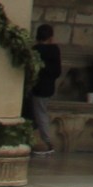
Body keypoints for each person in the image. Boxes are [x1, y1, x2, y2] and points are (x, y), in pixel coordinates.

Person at [25, 23, 62, 154]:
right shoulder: (54, 50)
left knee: (40, 113)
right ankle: (41, 141)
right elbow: (57, 71)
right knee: (39, 112)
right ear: (51, 38)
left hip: (37, 87)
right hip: (47, 87)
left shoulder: (35, 50)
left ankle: (46, 142)